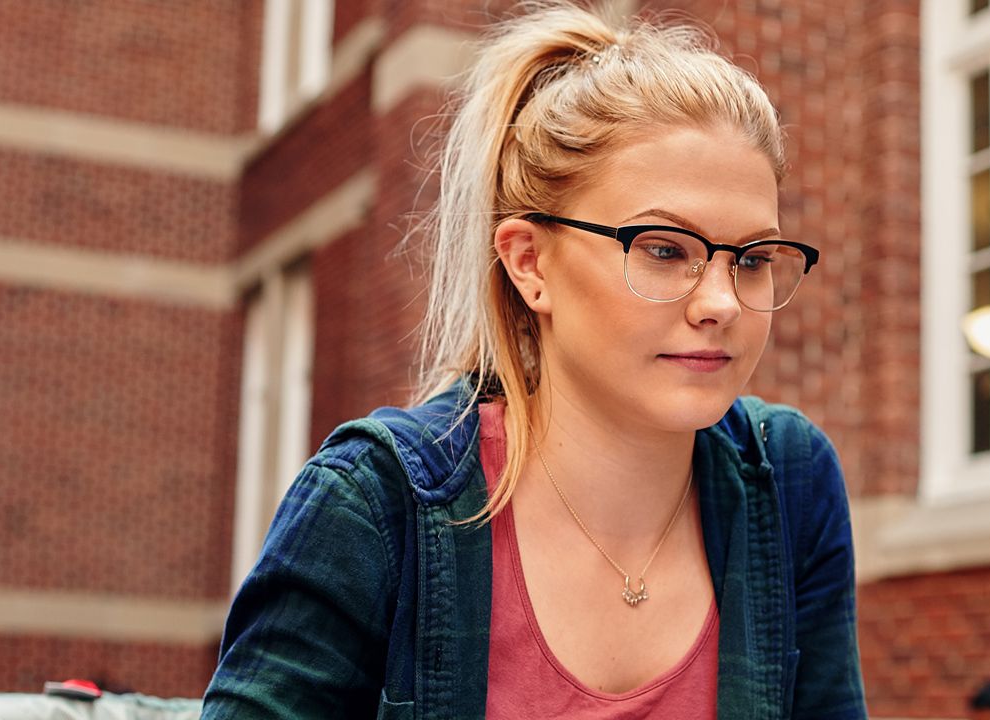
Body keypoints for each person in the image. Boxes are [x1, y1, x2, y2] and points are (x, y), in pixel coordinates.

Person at [202, 2, 863, 717]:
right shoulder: (374, 504)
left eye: (754, 259)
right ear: (529, 263)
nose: (723, 303)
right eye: (664, 250)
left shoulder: (790, 480)